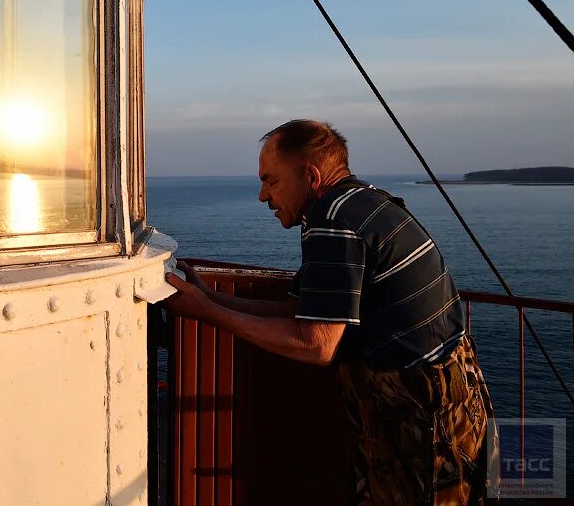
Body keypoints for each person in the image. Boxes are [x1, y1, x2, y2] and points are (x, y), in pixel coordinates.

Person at [163, 119, 496, 506]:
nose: (262, 196)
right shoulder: (361, 201)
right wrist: (212, 298)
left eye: (271, 181)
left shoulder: (333, 222)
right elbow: (298, 311)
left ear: (311, 175)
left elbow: (315, 344)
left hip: (423, 416)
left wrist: (206, 313)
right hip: (449, 396)